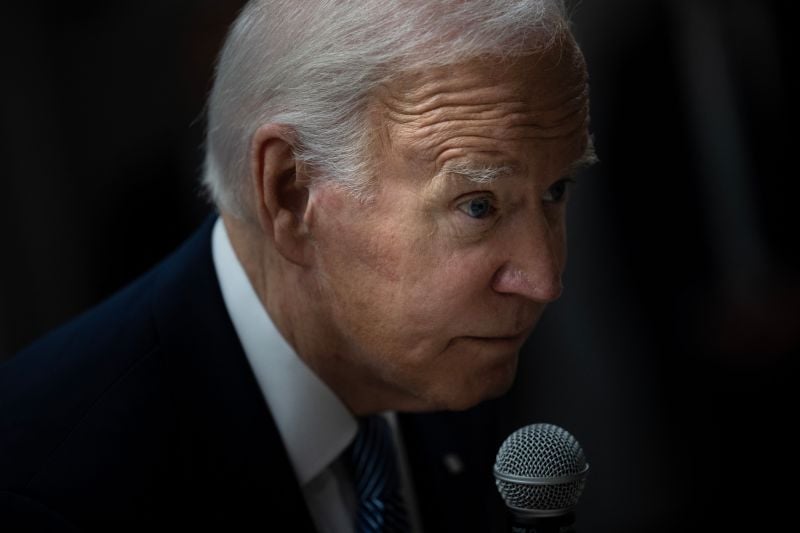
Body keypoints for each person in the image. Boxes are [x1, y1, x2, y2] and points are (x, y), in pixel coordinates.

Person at [0, 0, 595, 531]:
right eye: (479, 205)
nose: (543, 280)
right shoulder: (48, 490)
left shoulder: (457, 363)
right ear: (290, 193)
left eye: (556, 190)